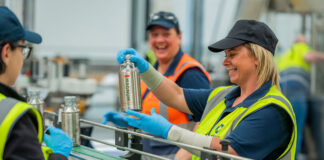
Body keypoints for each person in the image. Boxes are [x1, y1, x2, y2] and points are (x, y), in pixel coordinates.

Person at [106, 20, 297, 159]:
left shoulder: (272, 111)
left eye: (233, 54)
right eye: (225, 55)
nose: (225, 62)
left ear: (257, 57)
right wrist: (145, 69)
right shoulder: (222, 96)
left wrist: (168, 131)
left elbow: (228, 151)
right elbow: (177, 95)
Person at [103, 11, 211, 159]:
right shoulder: (150, 72)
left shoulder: (190, 73)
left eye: (166, 34)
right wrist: (127, 121)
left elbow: (206, 125)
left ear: (179, 37)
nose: (160, 40)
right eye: (155, 35)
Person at [0, 6, 72, 159]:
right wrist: (58, 155)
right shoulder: (13, 118)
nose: (22, 58)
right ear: (6, 52)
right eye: (22, 49)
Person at [276, 34, 324, 158]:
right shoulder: (300, 48)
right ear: (300, 42)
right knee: (296, 130)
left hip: (281, 92)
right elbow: (309, 56)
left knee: (285, 130)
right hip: (296, 91)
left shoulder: (285, 55)